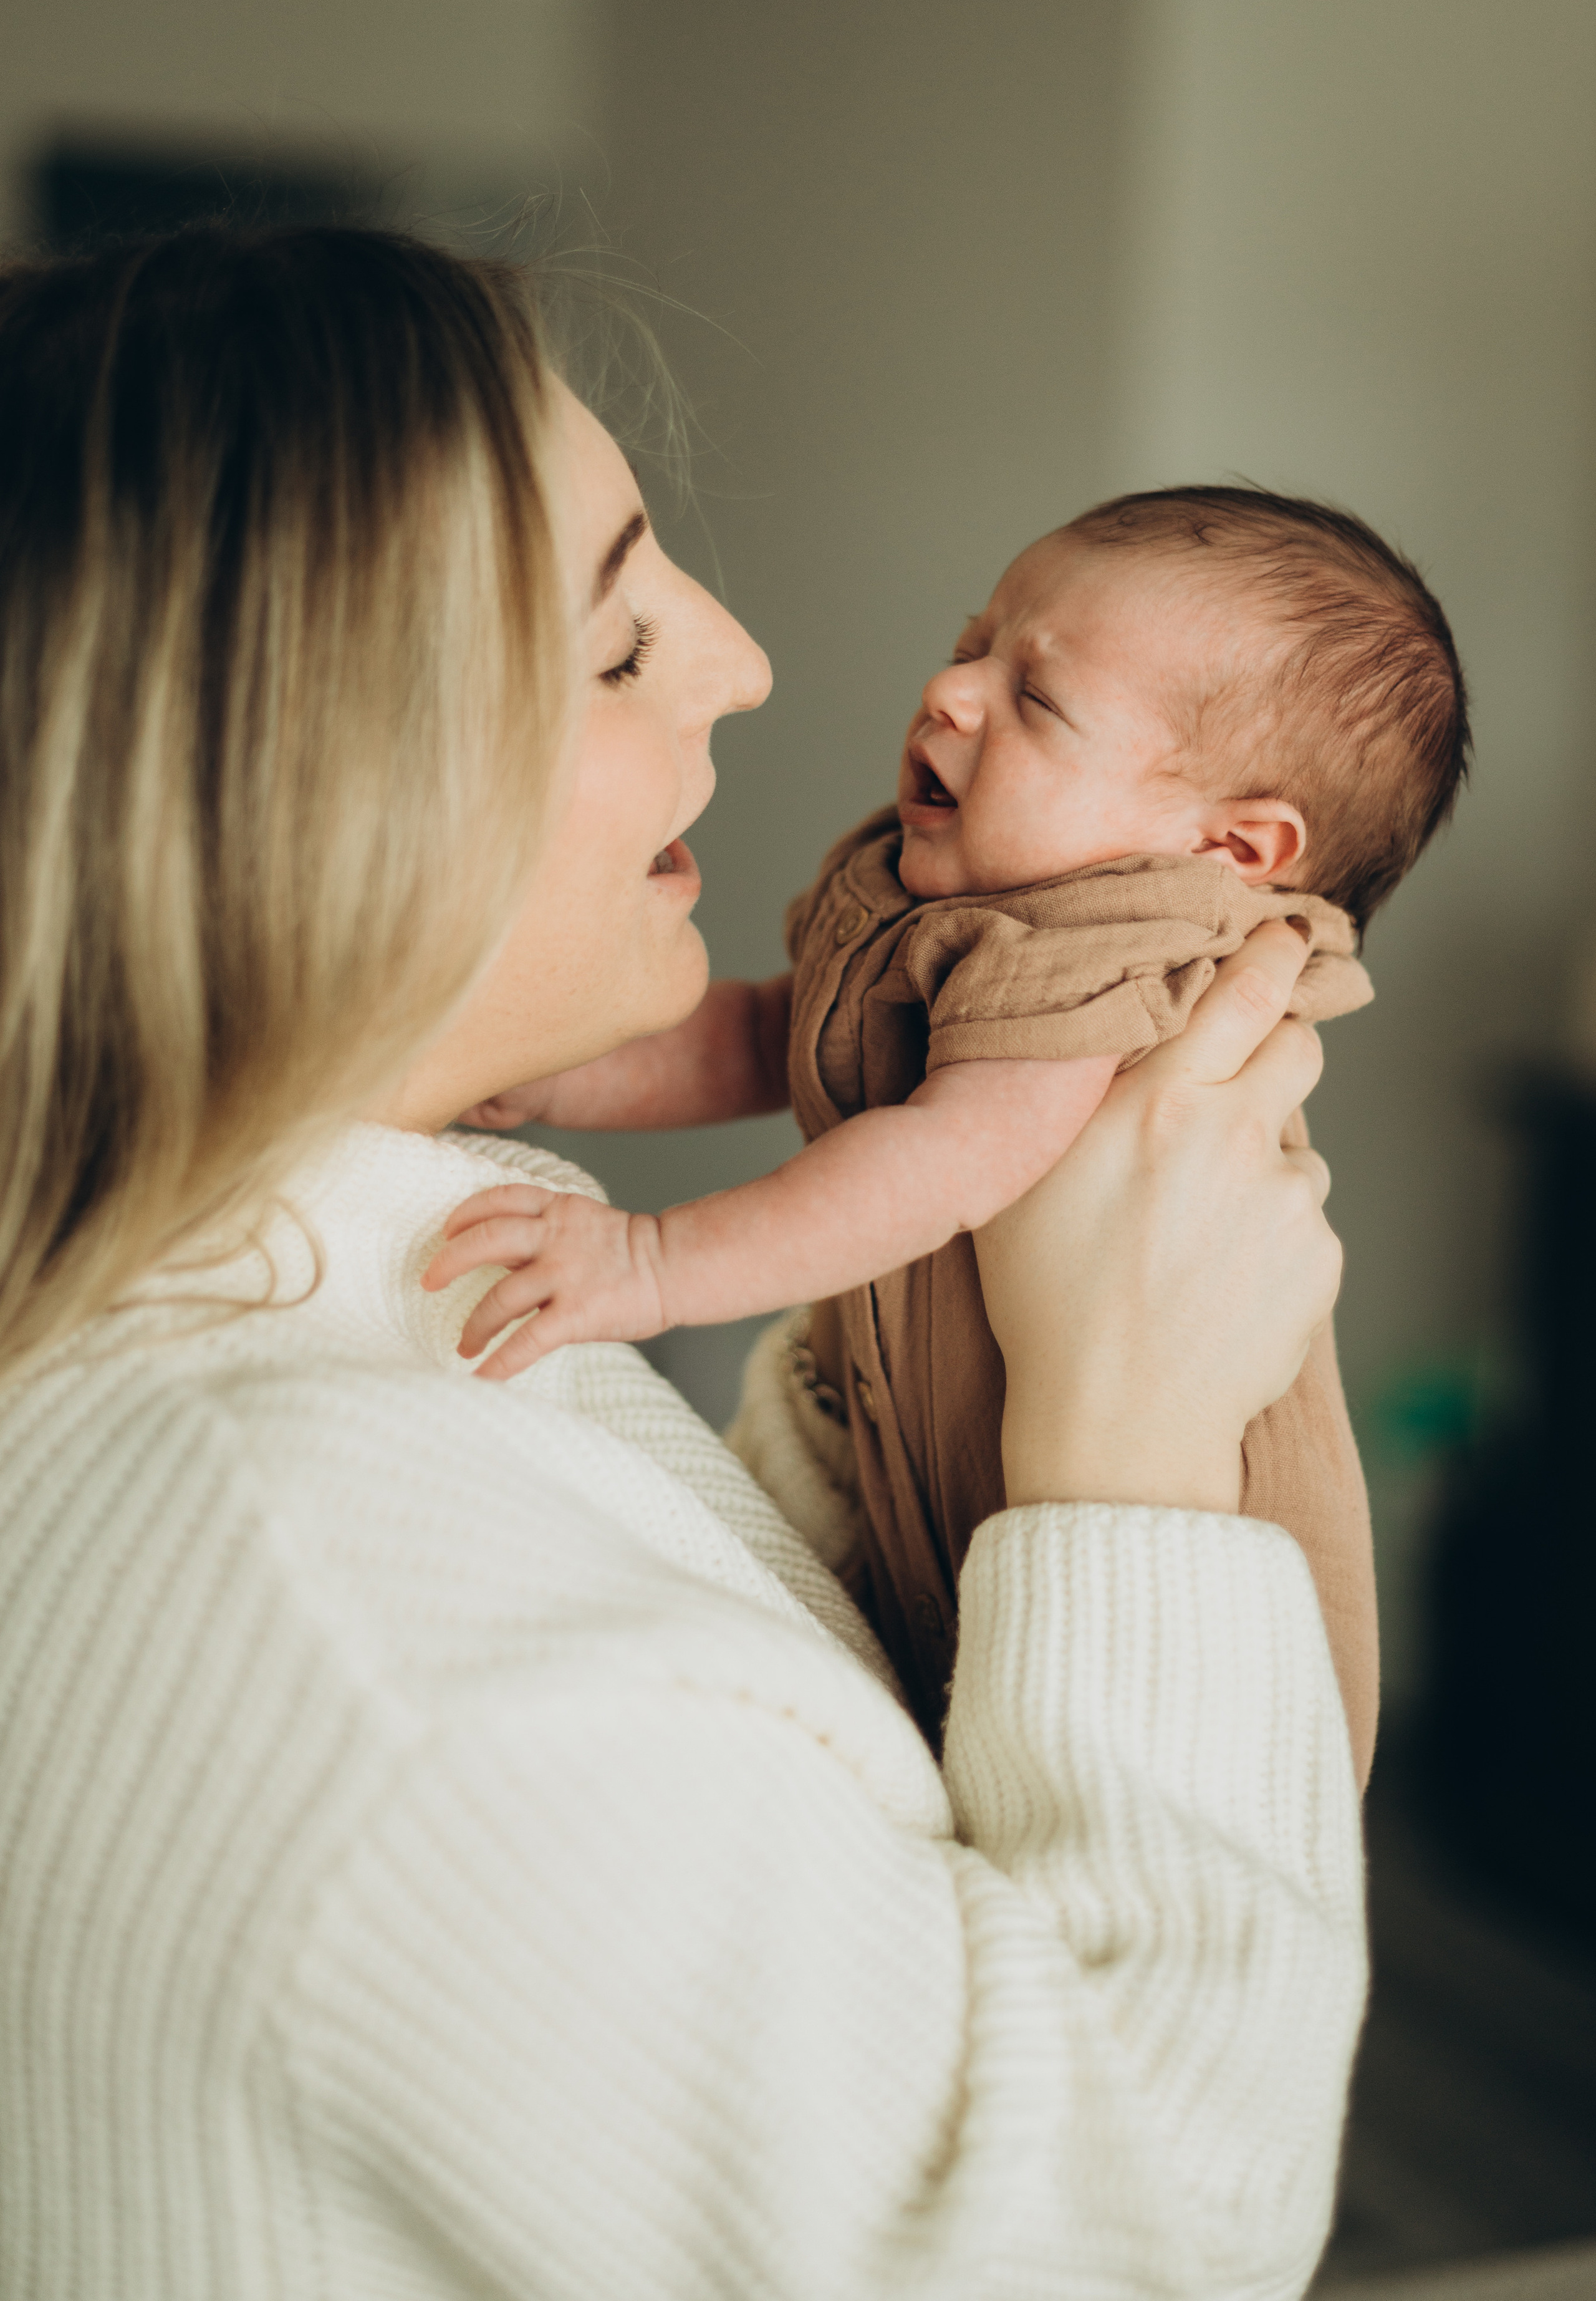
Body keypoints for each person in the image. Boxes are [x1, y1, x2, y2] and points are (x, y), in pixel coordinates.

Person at [0, 225, 1365, 2300]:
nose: (743, 658)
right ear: (319, 797)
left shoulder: (325, 1308)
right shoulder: (405, 1659)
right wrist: (1132, 1455)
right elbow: (1131, 2257)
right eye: (623, 640)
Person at [425, 491, 1468, 1775]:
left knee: (1030, 1767)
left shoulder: (1124, 949)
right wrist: (551, 1065)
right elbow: (773, 1035)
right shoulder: (938, 886)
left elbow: (944, 1159)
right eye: (972, 641)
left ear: (1230, 848)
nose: (949, 689)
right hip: (913, 1470)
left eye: (1034, 699)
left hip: (1168, 1567)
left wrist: (647, 1263)